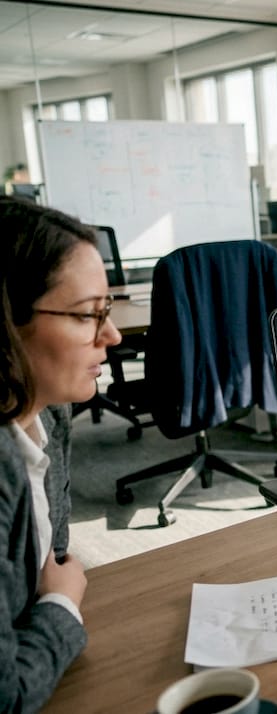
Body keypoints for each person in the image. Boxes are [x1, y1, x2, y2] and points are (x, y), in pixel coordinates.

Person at [1, 196, 123, 709]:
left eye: (107, 312)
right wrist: (60, 605)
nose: (112, 336)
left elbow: (52, 560)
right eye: (87, 316)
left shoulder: (46, 410)